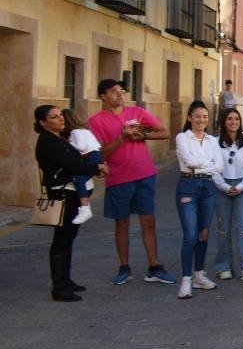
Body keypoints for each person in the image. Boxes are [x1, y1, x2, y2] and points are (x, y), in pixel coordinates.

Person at [88, 78, 174, 286]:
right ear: (103, 96)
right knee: (122, 223)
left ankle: (154, 267)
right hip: (118, 178)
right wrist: (121, 138)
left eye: (121, 90)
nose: (120, 94)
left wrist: (142, 135)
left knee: (148, 222)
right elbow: (99, 154)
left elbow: (164, 132)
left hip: (145, 175)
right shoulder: (96, 121)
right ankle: (124, 268)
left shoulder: (137, 113)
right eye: (113, 91)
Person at [34, 105, 106, 301]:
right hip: (63, 194)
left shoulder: (59, 138)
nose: (60, 119)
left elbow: (78, 163)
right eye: (54, 117)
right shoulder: (48, 142)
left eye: (60, 115)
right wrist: (97, 167)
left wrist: (93, 167)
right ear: (43, 122)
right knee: (62, 238)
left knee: (69, 237)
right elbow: (75, 166)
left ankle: (65, 280)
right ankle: (59, 287)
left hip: (71, 193)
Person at [174, 101, 221, 300]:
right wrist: (207, 165)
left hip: (208, 187)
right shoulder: (182, 138)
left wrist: (201, 167)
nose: (202, 120)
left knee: (203, 233)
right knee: (190, 235)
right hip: (188, 186)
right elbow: (189, 161)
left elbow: (219, 166)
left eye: (205, 117)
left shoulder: (212, 140)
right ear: (189, 118)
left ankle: (199, 274)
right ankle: (186, 279)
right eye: (198, 116)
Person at [211, 108, 243, 281]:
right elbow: (212, 166)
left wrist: (242, 186)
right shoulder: (215, 142)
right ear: (223, 121)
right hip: (221, 187)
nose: (233, 122)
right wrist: (224, 186)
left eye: (236, 119)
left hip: (242, 187)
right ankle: (223, 266)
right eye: (229, 119)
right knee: (223, 229)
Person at [62, 108, 103, 225]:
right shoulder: (84, 130)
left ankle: (85, 208)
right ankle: (84, 208)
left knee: (78, 179)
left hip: (92, 157)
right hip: (95, 155)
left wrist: (67, 143)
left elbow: (81, 147)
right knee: (80, 178)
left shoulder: (75, 132)